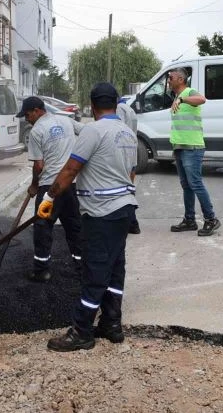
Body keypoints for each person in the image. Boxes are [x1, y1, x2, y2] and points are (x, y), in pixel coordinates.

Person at [38, 82, 138, 352]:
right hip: (125, 209)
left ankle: (82, 331)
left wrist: (49, 197)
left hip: (102, 212)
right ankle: (112, 325)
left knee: (95, 270)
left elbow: (71, 169)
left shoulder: (93, 131)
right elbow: (131, 174)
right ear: (115, 103)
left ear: (92, 106)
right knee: (115, 268)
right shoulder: (127, 133)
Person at [18, 96, 82, 282]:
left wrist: (34, 185)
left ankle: (41, 270)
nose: (26, 119)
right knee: (74, 226)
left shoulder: (37, 131)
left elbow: (39, 165)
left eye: (28, 114)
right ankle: (81, 267)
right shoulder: (65, 120)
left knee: (43, 227)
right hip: (70, 184)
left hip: (50, 190)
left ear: (38, 110)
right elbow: (87, 132)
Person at [167, 68, 221, 237]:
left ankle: (211, 219)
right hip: (180, 147)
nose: (169, 80)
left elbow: (202, 99)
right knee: (186, 185)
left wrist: (182, 98)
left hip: (192, 147)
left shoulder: (189, 93)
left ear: (181, 79)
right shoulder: (177, 97)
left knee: (195, 183)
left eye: (171, 77)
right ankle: (189, 220)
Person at [116, 101, 141, 234]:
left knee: (121, 189)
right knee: (128, 187)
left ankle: (130, 223)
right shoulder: (129, 109)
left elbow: (118, 128)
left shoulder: (119, 109)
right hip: (131, 147)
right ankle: (133, 223)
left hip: (122, 149)